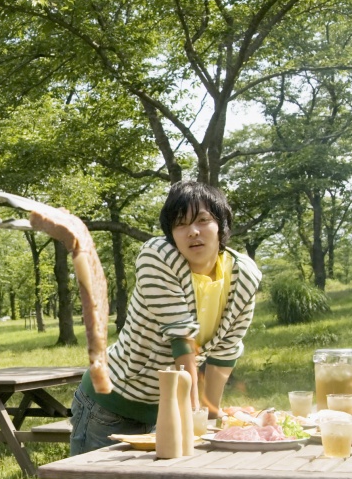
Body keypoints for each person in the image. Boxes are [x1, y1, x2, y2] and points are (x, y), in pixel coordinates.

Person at [34, 181, 262, 456]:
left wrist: (209, 425)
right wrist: (192, 421)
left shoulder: (245, 276)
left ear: (222, 225)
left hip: (168, 412)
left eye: (203, 220)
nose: (193, 232)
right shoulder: (158, 257)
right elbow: (183, 344)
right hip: (111, 405)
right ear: (171, 235)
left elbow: (223, 355)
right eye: (180, 225)